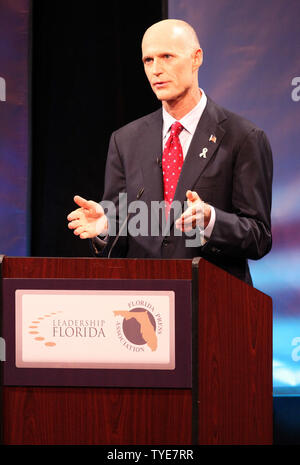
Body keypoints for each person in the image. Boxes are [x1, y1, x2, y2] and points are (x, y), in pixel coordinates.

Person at [67, 19, 273, 285]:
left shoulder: (243, 137)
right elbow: (121, 229)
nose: (156, 70)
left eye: (167, 57)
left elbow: (259, 237)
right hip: (145, 301)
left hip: (214, 305)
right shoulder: (125, 140)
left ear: (196, 58)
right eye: (148, 60)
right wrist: (106, 229)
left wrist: (211, 220)